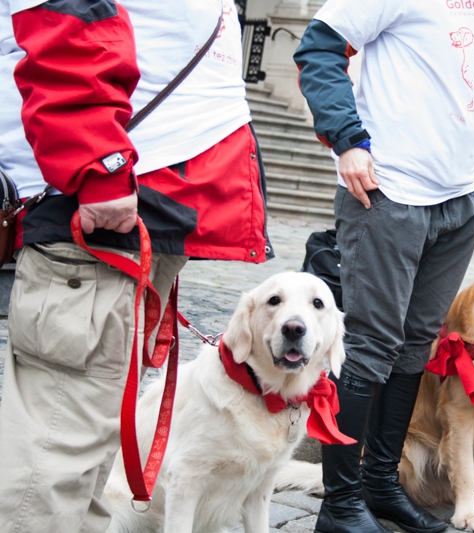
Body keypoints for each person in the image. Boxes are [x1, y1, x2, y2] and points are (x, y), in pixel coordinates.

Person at [0, 0, 271, 531]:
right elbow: (68, 18)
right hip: (100, 207)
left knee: (91, 441)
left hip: (138, 206)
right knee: (60, 445)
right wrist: (100, 167)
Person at [293, 1, 474, 532]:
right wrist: (349, 141)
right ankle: (340, 504)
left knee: (417, 344)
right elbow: (319, 47)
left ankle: (381, 485)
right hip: (389, 188)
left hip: (460, 200)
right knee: (369, 346)